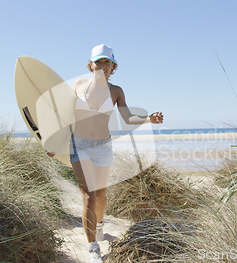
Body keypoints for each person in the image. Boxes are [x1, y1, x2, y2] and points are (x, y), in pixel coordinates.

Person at [48, 44, 163, 263]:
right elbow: (62, 116)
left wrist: (149, 118)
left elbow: (128, 118)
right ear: (90, 65)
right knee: (88, 196)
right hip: (78, 145)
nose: (102, 66)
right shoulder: (78, 85)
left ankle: (99, 226)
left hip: (103, 147)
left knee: (100, 196)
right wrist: (54, 141)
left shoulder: (116, 91)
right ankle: (93, 249)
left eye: (106, 62)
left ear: (113, 66)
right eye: (98, 62)